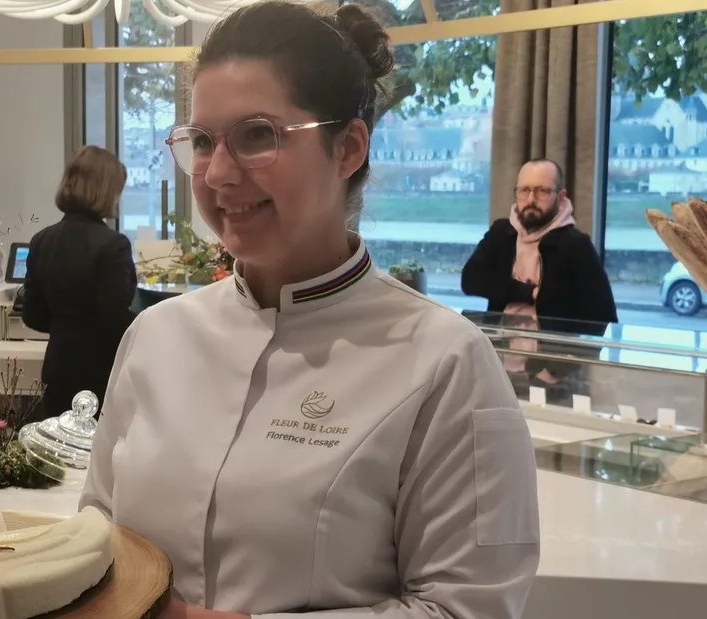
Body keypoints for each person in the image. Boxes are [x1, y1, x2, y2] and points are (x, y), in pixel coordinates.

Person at [79, 2, 540, 618]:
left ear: (348, 147)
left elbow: (469, 608)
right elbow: (95, 539)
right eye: (203, 141)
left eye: (257, 136)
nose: (217, 173)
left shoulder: (446, 363)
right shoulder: (154, 337)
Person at [461, 159, 617, 398]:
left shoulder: (576, 245)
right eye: (524, 190)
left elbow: (600, 318)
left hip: (550, 377)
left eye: (542, 191)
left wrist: (554, 371)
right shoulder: (502, 233)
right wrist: (528, 293)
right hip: (496, 369)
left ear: (560, 196)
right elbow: (471, 280)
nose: (531, 200)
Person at [22, 145, 137, 420]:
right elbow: (115, 319)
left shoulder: (42, 240)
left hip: (57, 365)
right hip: (101, 371)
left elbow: (33, 316)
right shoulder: (113, 245)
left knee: (58, 451)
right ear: (107, 191)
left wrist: (66, 326)